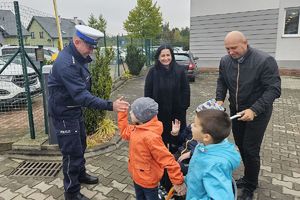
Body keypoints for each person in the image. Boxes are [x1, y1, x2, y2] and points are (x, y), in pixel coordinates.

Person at [47, 25, 129, 200]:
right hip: (64, 114)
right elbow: (81, 95)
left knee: (81, 145)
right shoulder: (67, 64)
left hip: (74, 110)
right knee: (71, 153)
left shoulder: (78, 56)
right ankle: (71, 192)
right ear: (77, 41)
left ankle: (81, 174)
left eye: (93, 47)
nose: (92, 51)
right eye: (90, 46)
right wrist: (110, 105)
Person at [216, 31, 281, 200]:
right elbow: (222, 80)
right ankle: (247, 177)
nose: (230, 52)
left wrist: (254, 110)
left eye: (234, 48)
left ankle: (251, 185)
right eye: (227, 49)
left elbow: (274, 89)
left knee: (251, 150)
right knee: (241, 145)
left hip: (257, 113)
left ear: (245, 43)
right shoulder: (225, 61)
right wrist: (219, 100)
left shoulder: (264, 61)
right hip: (236, 112)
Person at [118, 97, 186, 200]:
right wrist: (122, 113)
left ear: (141, 117)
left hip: (148, 181)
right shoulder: (136, 129)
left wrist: (177, 181)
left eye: (133, 112)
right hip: (136, 176)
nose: (130, 112)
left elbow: (168, 160)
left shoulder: (151, 138)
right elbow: (124, 132)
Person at [185, 109, 241, 200]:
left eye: (195, 125)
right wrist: (187, 181)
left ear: (206, 137)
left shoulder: (213, 165)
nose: (191, 126)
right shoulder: (207, 144)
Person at [144, 44, 190, 153]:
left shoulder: (180, 71)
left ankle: (176, 163)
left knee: (177, 140)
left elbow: (186, 90)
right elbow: (148, 93)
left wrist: (183, 107)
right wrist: (150, 111)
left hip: (177, 114)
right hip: (159, 114)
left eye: (168, 55)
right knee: (160, 141)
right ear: (158, 57)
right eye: (162, 56)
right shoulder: (153, 72)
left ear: (172, 56)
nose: (166, 58)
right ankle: (162, 165)